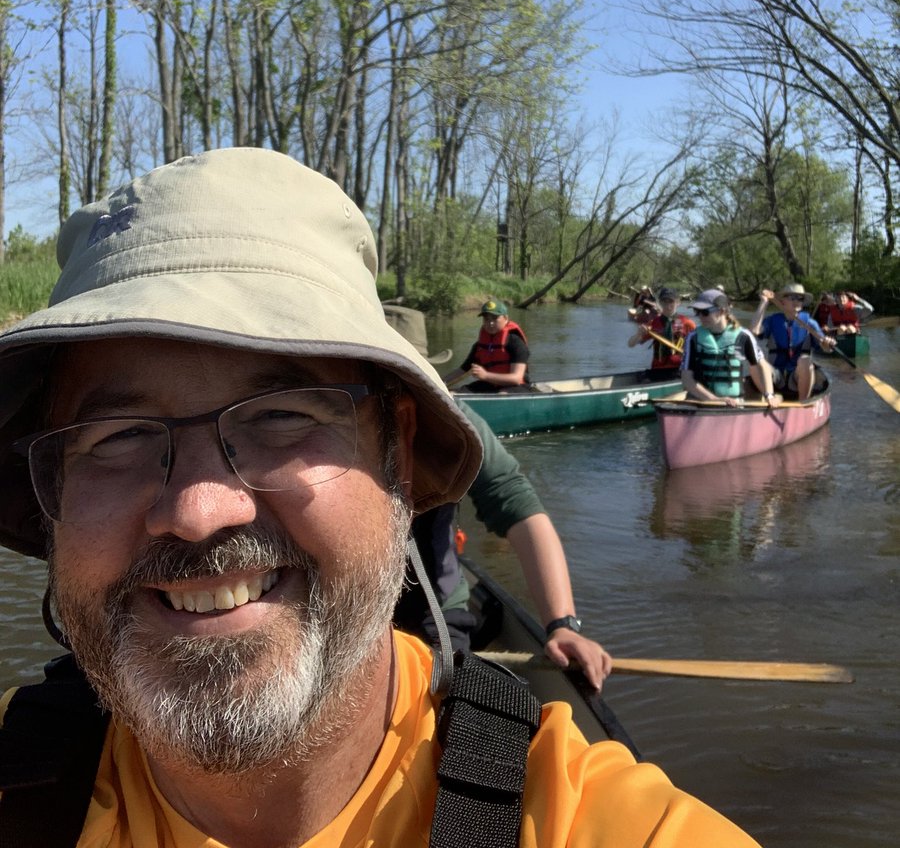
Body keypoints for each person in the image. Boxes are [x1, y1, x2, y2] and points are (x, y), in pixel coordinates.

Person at [0, 148, 762, 846]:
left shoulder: (601, 824)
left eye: (283, 416)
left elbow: (521, 508)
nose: (199, 511)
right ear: (53, 493)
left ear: (399, 451)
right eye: (115, 436)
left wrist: (562, 621)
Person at [387, 305, 611, 687]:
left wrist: (563, 625)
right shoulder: (312, 425)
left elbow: (520, 509)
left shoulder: (456, 425)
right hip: (340, 617)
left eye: (400, 374)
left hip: (433, 615)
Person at [681, 288, 781, 408]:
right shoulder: (693, 338)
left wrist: (769, 395)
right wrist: (713, 399)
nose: (700, 316)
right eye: (697, 311)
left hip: (732, 404)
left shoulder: (743, 336)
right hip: (701, 401)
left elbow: (763, 365)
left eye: (705, 312)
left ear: (722, 311)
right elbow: (687, 379)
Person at [749, 283, 836, 401]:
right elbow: (754, 331)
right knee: (755, 360)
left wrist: (828, 343)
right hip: (775, 377)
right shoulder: (772, 321)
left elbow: (826, 348)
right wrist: (764, 302)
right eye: (792, 297)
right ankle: (770, 398)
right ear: (782, 301)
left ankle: (802, 403)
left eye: (800, 298)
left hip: (797, 377)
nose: (796, 301)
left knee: (805, 361)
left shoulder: (810, 324)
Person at [443, 298, 530, 392]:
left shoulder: (515, 342)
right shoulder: (479, 346)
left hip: (517, 387)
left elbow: (516, 379)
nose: (490, 323)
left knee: (501, 395)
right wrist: (439, 383)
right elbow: (462, 370)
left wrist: (485, 375)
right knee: (458, 392)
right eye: (486, 319)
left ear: (505, 318)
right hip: (490, 385)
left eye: (495, 318)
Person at [627, 286, 696, 373]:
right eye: (664, 301)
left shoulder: (687, 323)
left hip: (679, 370)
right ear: (660, 302)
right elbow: (630, 344)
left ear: (678, 302)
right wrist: (638, 334)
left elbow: (699, 347)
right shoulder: (653, 323)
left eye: (671, 301)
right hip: (657, 370)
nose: (667, 305)